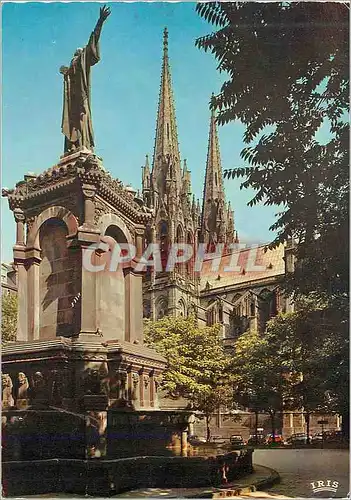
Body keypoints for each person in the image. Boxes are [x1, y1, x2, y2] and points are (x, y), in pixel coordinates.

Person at [60, 5, 111, 153]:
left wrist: (100, 22)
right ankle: (76, 145)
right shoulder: (72, 69)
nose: (76, 56)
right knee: (75, 121)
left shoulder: (82, 61)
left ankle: (82, 145)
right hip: (75, 99)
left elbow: (93, 39)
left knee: (82, 119)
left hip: (81, 97)